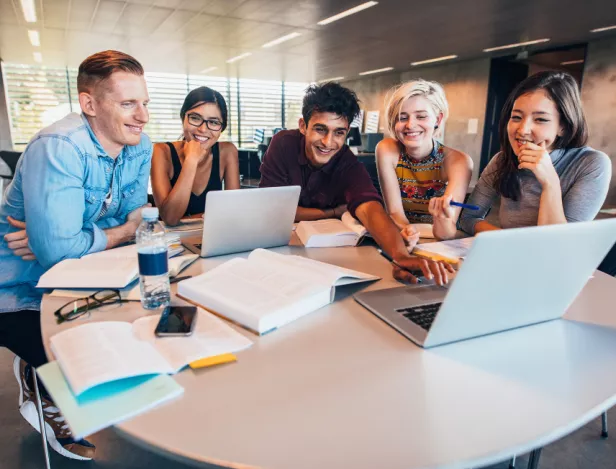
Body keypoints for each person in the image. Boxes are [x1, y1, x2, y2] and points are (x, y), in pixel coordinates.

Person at [0, 50, 153, 460]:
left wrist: (67, 240)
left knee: (141, 334)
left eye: (145, 102)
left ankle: (44, 367)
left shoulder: (139, 145)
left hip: (81, 276)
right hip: (16, 288)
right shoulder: (59, 147)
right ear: (89, 104)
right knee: (85, 361)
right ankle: (43, 381)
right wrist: (113, 232)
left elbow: (137, 222)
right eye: (128, 104)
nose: (142, 116)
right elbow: (65, 250)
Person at [259, 82, 453, 284]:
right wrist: (332, 212)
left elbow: (369, 208)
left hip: (324, 255)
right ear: (303, 126)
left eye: (339, 132)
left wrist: (401, 256)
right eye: (320, 129)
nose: (328, 142)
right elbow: (273, 209)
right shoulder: (283, 144)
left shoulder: (347, 163)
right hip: (279, 249)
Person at [459, 71, 611, 235]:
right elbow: (469, 218)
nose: (523, 130)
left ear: (563, 126)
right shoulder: (502, 160)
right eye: (516, 117)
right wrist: (506, 241)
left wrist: (550, 182)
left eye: (540, 119)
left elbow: (559, 243)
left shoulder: (591, 163)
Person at [376, 80, 473, 241]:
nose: (411, 125)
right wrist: (409, 234)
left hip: (439, 243)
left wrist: (442, 218)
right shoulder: (387, 150)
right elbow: (394, 214)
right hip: (402, 236)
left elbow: (446, 233)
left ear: (438, 119)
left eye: (421, 116)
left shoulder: (459, 161)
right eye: (402, 117)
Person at [151, 87, 239, 226]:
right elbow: (170, 218)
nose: (203, 129)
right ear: (183, 118)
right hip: (174, 242)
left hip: (213, 235)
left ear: (221, 128)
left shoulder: (227, 151)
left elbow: (234, 212)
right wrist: (191, 160)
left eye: (214, 122)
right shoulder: (161, 151)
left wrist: (188, 219)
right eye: (195, 118)